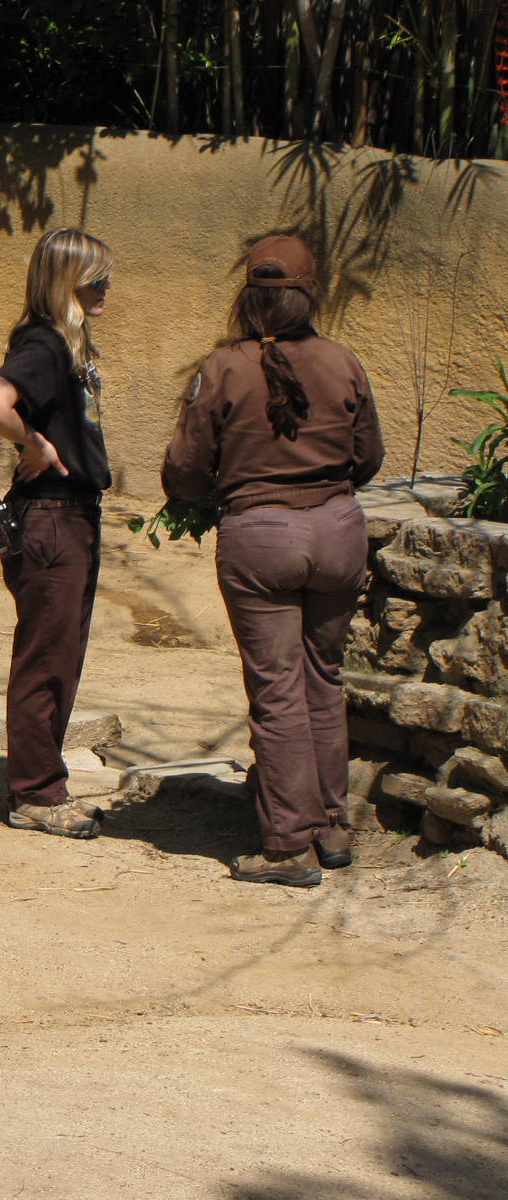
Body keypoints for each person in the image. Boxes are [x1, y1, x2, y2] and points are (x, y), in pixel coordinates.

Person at [162, 234, 384, 887]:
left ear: (248, 297)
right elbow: (368, 459)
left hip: (260, 537)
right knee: (324, 678)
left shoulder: (222, 368)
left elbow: (183, 472)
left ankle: (286, 846)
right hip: (338, 531)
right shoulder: (344, 362)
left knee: (277, 688)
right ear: (311, 293)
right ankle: (332, 829)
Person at [0, 228, 115, 839]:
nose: (107, 287)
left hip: (71, 516)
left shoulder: (68, 345)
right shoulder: (45, 343)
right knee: (46, 660)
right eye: (95, 277)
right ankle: (34, 794)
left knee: (63, 657)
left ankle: (43, 782)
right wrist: (31, 440)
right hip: (52, 519)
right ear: (66, 282)